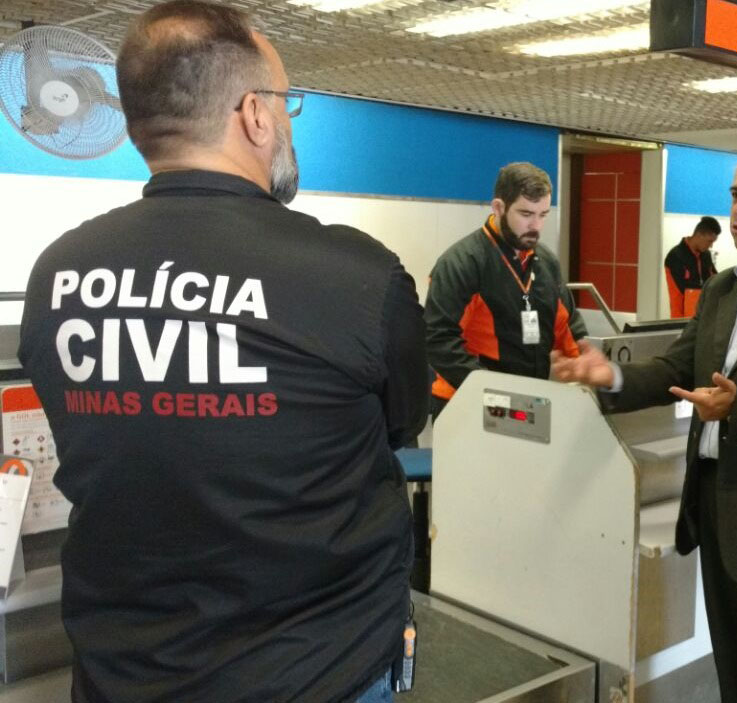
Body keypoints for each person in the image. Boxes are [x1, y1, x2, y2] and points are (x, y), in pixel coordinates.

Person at [17, 2, 429, 701]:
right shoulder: (358, 276)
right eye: (285, 101)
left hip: (123, 675)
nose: (285, 122)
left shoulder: (58, 273)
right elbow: (399, 428)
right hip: (318, 673)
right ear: (254, 114)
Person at [552, 136, 737, 703]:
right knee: (735, 670)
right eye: (736, 194)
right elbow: (678, 368)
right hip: (713, 502)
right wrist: (608, 375)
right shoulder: (723, 288)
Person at [425, 162, 586, 418]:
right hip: (467, 403)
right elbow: (439, 340)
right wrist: (495, 393)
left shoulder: (546, 263)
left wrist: (587, 365)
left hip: (528, 402)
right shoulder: (462, 263)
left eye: (543, 214)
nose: (536, 226)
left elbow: (566, 327)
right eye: (525, 214)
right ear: (499, 208)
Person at [665, 215, 721, 317]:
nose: (711, 245)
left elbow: (715, 281)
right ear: (699, 235)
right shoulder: (675, 256)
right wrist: (677, 324)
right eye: (710, 241)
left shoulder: (706, 255)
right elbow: (676, 296)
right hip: (686, 320)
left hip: (705, 317)